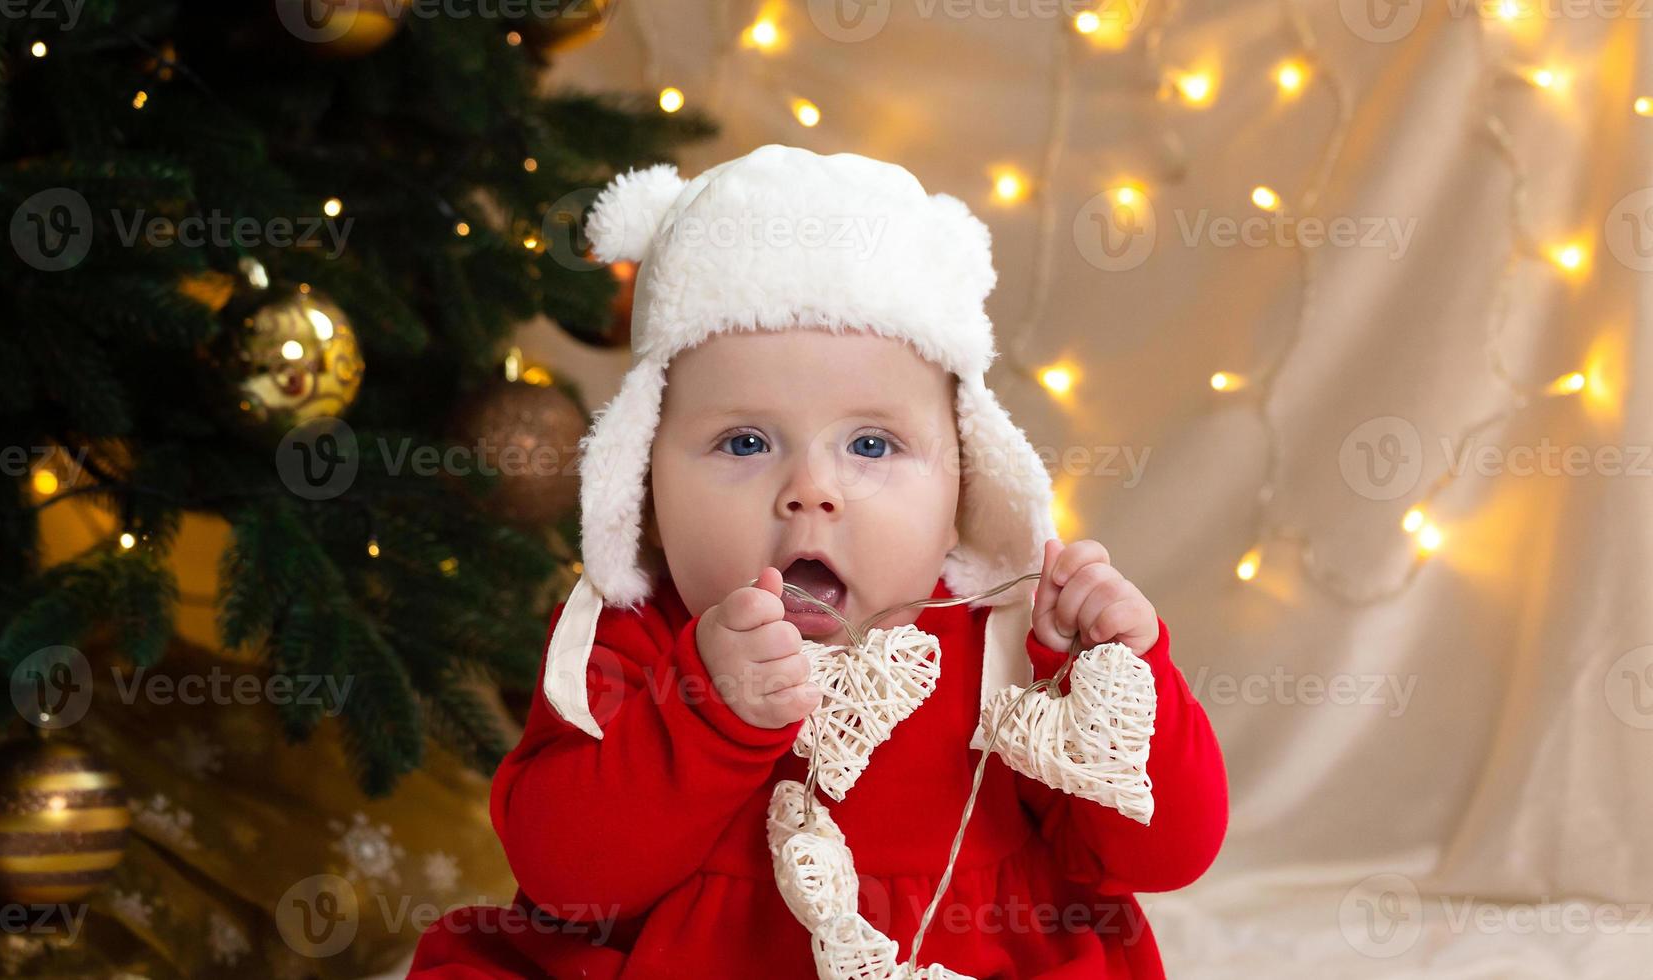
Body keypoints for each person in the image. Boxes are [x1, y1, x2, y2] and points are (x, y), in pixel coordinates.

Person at [407, 144, 1228, 979]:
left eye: (871, 444)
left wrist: (1122, 683)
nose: (810, 491)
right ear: (646, 481)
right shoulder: (635, 639)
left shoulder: (1012, 648)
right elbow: (567, 877)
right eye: (745, 441)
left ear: (965, 486)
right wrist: (705, 715)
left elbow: (1164, 856)